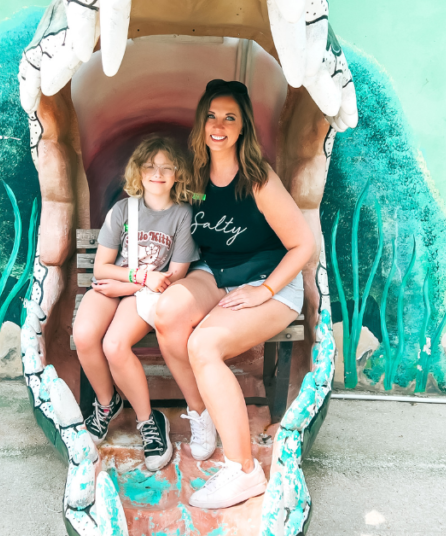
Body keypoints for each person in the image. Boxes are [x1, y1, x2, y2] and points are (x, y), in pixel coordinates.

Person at [154, 80, 315, 509]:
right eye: (212, 116)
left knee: (203, 344)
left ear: (242, 128)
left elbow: (303, 244)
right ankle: (201, 414)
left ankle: (243, 470)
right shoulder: (194, 176)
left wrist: (264, 291)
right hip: (215, 273)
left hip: (269, 282)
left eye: (230, 118)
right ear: (201, 122)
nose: (219, 125)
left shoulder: (259, 179)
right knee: (168, 313)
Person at [72, 135, 209, 472]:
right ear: (139, 171)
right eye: (150, 166)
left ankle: (150, 423)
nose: (158, 173)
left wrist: (134, 285)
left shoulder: (182, 215)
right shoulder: (123, 210)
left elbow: (174, 276)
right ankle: (107, 404)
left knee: (115, 345)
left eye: (166, 167)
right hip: (122, 284)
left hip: (146, 294)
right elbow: (100, 268)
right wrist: (136, 279)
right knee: (85, 334)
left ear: (177, 174)